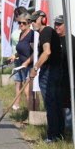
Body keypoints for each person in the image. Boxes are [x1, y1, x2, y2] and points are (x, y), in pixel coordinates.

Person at [28, 10, 64, 142]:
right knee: (56, 103)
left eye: (33, 20)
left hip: (49, 71)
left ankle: (52, 136)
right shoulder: (47, 32)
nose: (31, 23)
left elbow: (47, 52)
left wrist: (35, 68)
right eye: (30, 21)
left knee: (51, 104)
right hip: (54, 70)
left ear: (42, 19)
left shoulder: (45, 32)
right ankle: (59, 134)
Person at [54, 15, 75, 112]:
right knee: (58, 105)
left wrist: (70, 71)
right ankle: (61, 126)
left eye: (59, 24)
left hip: (68, 79)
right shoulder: (53, 39)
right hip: (56, 79)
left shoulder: (72, 40)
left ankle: (74, 126)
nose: (56, 26)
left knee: (71, 106)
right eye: (55, 24)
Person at [10, 14, 34, 111]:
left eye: (23, 23)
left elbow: (36, 52)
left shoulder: (31, 35)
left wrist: (27, 62)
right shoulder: (21, 34)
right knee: (25, 90)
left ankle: (31, 114)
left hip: (30, 66)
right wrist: (14, 56)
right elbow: (21, 50)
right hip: (21, 65)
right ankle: (29, 113)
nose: (21, 24)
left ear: (29, 24)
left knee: (28, 92)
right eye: (19, 22)